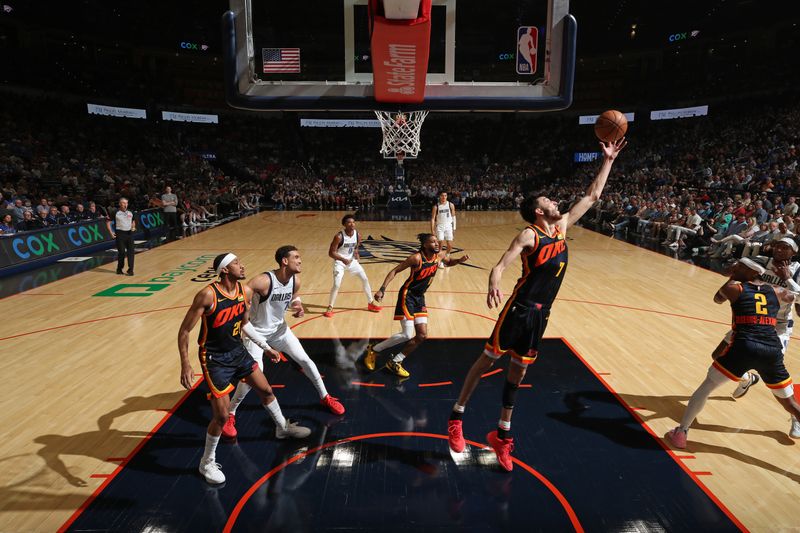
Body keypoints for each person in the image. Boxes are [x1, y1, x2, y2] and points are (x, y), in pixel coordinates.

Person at [446, 137, 626, 471]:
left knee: (518, 373)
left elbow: (592, 195)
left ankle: (501, 435)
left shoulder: (560, 227)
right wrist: (494, 279)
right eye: (549, 200)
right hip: (520, 308)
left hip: (542, 315)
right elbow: (502, 263)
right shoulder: (530, 235)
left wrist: (609, 160)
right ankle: (456, 416)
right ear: (539, 211)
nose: (556, 200)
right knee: (486, 361)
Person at [178, 253, 311, 484]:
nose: (242, 266)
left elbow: (246, 324)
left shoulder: (243, 293)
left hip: (238, 353)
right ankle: (206, 463)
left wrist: (265, 347)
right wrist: (186, 364)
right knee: (220, 416)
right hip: (214, 359)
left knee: (266, 390)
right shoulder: (207, 295)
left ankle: (281, 428)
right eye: (237, 263)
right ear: (225, 270)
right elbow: (185, 331)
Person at [665, 258, 800, 449]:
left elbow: (717, 298)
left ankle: (681, 432)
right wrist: (788, 280)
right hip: (771, 349)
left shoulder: (733, 288)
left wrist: (733, 277)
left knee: (706, 388)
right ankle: (747, 380)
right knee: (790, 404)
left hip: (744, 345)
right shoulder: (776, 291)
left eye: (739, 266)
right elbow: (796, 297)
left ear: (750, 272)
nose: (734, 267)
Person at [222, 245, 345, 440]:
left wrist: (298, 307)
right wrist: (239, 310)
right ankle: (230, 413)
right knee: (251, 377)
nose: (300, 260)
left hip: (280, 331)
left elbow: (294, 296)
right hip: (257, 334)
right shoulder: (264, 281)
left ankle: (325, 397)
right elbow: (244, 292)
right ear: (284, 261)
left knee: (307, 361)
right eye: (296, 257)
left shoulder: (295, 280)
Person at [364, 233, 469, 378]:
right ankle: (374, 350)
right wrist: (382, 289)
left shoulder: (439, 256)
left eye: (436, 242)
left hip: (420, 298)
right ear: (425, 245)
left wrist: (459, 260)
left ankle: (395, 362)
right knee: (407, 334)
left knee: (421, 335)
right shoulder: (416, 258)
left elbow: (449, 261)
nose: (437, 244)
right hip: (408, 295)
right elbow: (395, 270)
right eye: (433, 242)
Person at [323, 214, 382, 318]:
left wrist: (356, 253)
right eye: (349, 222)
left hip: (351, 261)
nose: (352, 224)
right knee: (337, 285)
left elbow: (356, 246)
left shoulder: (357, 235)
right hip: (340, 262)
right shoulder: (339, 236)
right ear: (344, 224)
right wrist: (343, 259)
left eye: (353, 222)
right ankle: (330, 307)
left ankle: (371, 303)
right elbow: (331, 253)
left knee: (365, 279)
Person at [107, 197, 135, 276]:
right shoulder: (115, 212)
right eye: (123, 203)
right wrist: (111, 232)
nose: (125, 204)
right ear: (120, 204)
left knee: (131, 252)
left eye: (126, 203)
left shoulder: (131, 212)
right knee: (122, 252)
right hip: (120, 234)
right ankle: (119, 269)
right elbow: (108, 222)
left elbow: (133, 221)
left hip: (129, 234)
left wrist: (133, 227)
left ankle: (130, 270)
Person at [430, 192, 456, 265]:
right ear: (439, 196)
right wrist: (432, 230)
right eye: (442, 195)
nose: (444, 197)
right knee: (440, 244)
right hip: (440, 226)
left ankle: (446, 255)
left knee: (450, 245)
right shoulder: (436, 206)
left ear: (447, 196)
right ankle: (439, 260)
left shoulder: (451, 205)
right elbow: (432, 219)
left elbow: (454, 217)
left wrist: (454, 228)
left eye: (445, 195)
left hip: (448, 226)